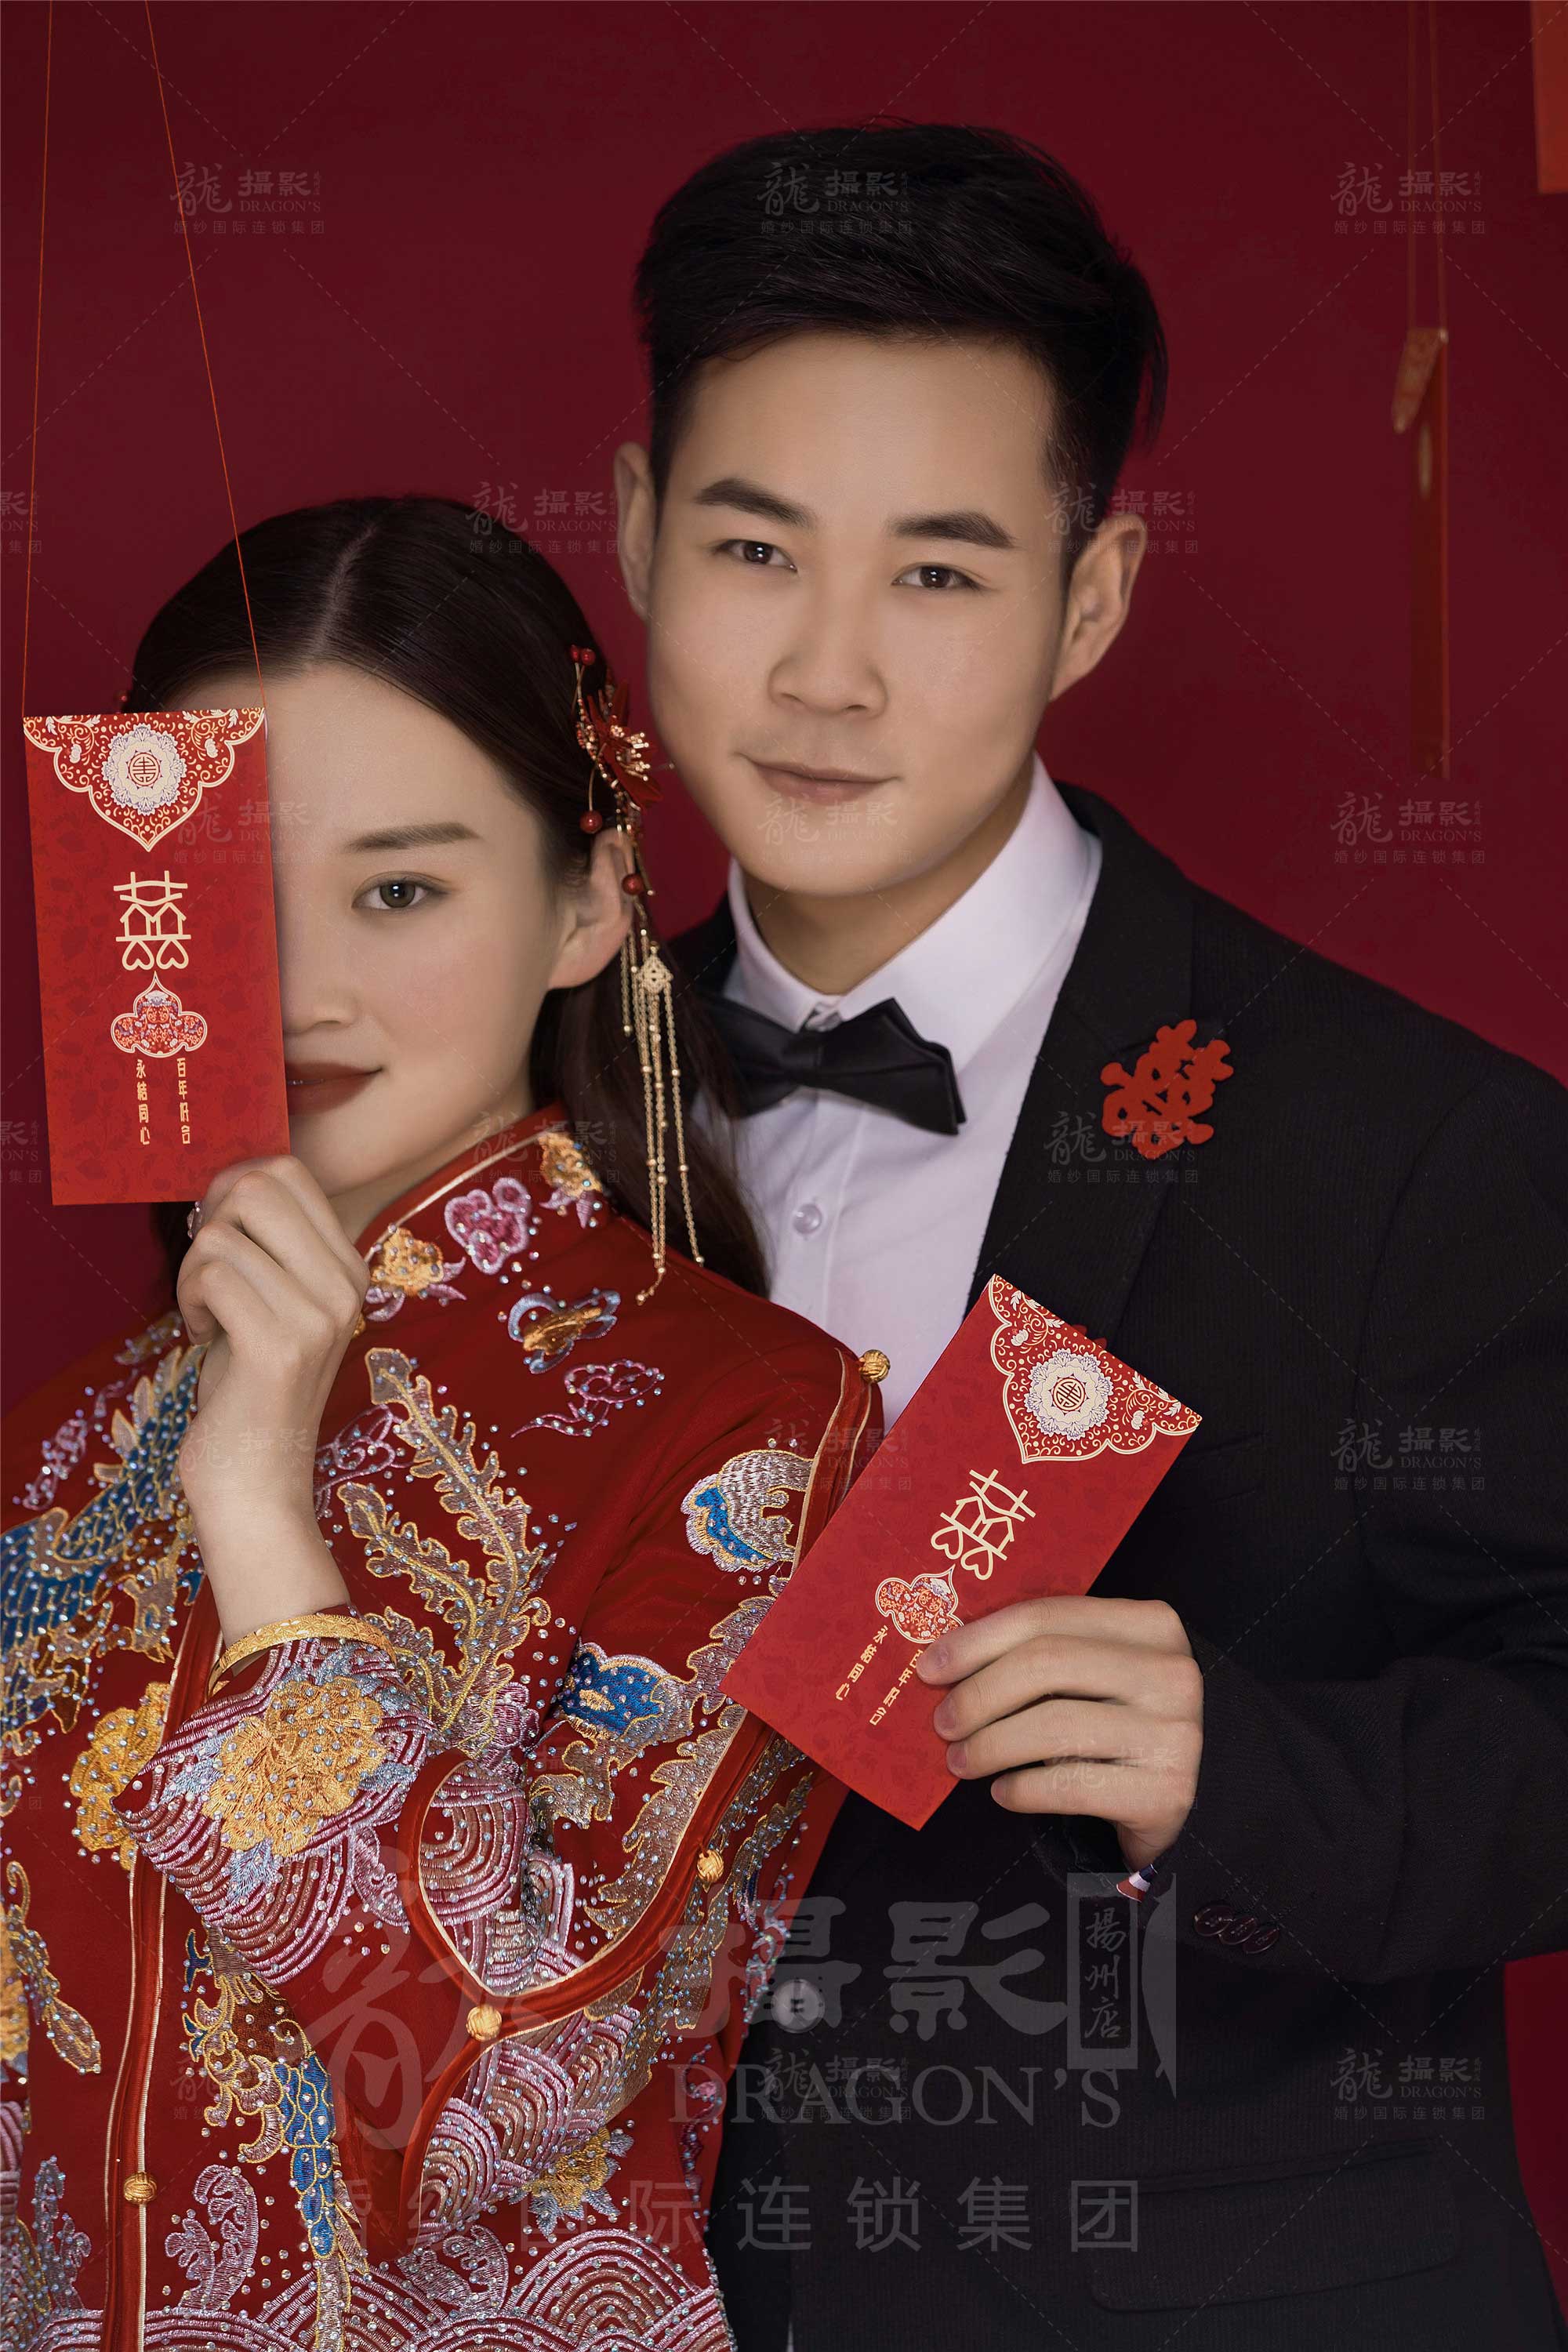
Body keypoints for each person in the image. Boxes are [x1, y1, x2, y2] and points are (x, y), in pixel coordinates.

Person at [610, 124, 1568, 2349]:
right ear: (639, 531)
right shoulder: (532, 1109)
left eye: (939, 576)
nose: (829, 673)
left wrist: (1237, 1768)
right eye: (754, 548)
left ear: (1094, 596)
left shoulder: (1416, 1144)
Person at [1, 495, 884, 2352]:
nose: (300, 984)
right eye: (221, 894)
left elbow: (511, 2081)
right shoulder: (55, 1453)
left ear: (587, 902)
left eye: (399, 890)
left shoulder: (749, 1428)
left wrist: (263, 1523)